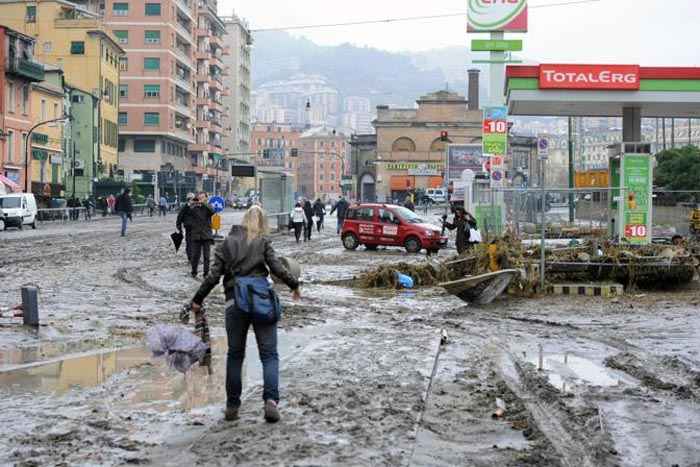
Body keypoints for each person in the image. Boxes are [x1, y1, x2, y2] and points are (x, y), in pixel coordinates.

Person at [190, 206, 300, 423]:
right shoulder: (263, 242)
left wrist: (197, 299)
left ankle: (232, 406)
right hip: (261, 301)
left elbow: (212, 277)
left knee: (235, 355)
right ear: (262, 223)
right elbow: (277, 268)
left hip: (234, 302)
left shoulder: (225, 243)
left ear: (242, 220)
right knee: (269, 355)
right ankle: (270, 401)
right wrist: (294, 285)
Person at [182, 192, 214, 278]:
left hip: (206, 235)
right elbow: (185, 212)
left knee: (206, 256)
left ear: (206, 198)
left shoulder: (208, 206)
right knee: (195, 256)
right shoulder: (193, 207)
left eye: (202, 197)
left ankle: (206, 273)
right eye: (199, 197)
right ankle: (194, 272)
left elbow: (212, 211)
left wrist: (204, 203)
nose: (200, 199)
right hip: (196, 235)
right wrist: (190, 203)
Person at [176, 193, 197, 262]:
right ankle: (190, 257)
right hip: (188, 228)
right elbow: (179, 218)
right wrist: (179, 228)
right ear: (188, 200)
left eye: (193, 199)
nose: (192, 201)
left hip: (196, 228)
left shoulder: (197, 207)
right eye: (191, 199)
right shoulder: (184, 207)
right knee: (189, 243)